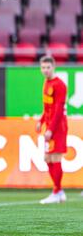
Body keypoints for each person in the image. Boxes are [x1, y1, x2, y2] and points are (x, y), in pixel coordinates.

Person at [35, 56, 68, 204]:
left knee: (55, 158)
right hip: (49, 126)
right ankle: (59, 191)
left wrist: (51, 129)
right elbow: (47, 107)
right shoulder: (46, 83)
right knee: (47, 159)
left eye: (48, 67)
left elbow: (59, 110)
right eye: (43, 67)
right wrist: (41, 121)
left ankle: (56, 192)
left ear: (54, 67)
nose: (45, 70)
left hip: (58, 127)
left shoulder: (60, 85)